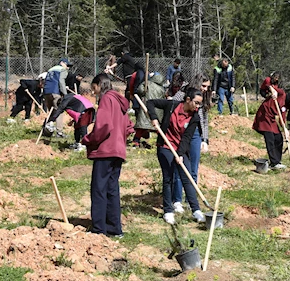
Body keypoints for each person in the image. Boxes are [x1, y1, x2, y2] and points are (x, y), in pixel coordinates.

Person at [82, 74, 134, 237]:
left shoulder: (106, 99)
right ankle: (114, 228)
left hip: (105, 150)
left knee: (99, 189)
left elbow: (104, 126)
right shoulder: (119, 101)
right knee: (112, 189)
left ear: (99, 84)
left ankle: (99, 228)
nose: (94, 92)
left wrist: (89, 139)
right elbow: (129, 127)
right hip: (118, 150)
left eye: (94, 88)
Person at [146, 89, 206, 225]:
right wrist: (154, 118)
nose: (198, 106)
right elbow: (150, 102)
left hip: (180, 148)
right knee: (168, 178)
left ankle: (196, 210)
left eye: (200, 104)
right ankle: (168, 211)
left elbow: (187, 138)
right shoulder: (172, 105)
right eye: (196, 103)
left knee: (187, 177)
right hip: (165, 146)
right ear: (188, 100)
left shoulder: (195, 117)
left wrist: (180, 154)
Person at [172, 74, 211, 213]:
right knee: (180, 165)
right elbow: (172, 106)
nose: (206, 89)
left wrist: (204, 139)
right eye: (203, 86)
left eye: (207, 87)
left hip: (195, 134)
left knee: (193, 168)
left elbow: (204, 120)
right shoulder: (183, 94)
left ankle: (191, 200)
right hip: (181, 132)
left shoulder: (203, 98)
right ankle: (177, 200)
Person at [253, 75, 288, 170]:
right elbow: (267, 82)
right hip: (264, 115)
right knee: (270, 138)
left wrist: (285, 129)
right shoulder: (281, 94)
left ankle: (277, 161)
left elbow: (282, 118)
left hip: (271, 118)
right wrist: (272, 90)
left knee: (279, 138)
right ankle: (274, 162)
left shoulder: (285, 106)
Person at [133, 73, 167, 148]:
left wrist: (144, 87)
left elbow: (140, 91)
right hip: (157, 110)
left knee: (142, 127)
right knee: (157, 128)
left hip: (146, 107)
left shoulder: (147, 83)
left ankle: (136, 141)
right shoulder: (161, 89)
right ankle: (161, 142)